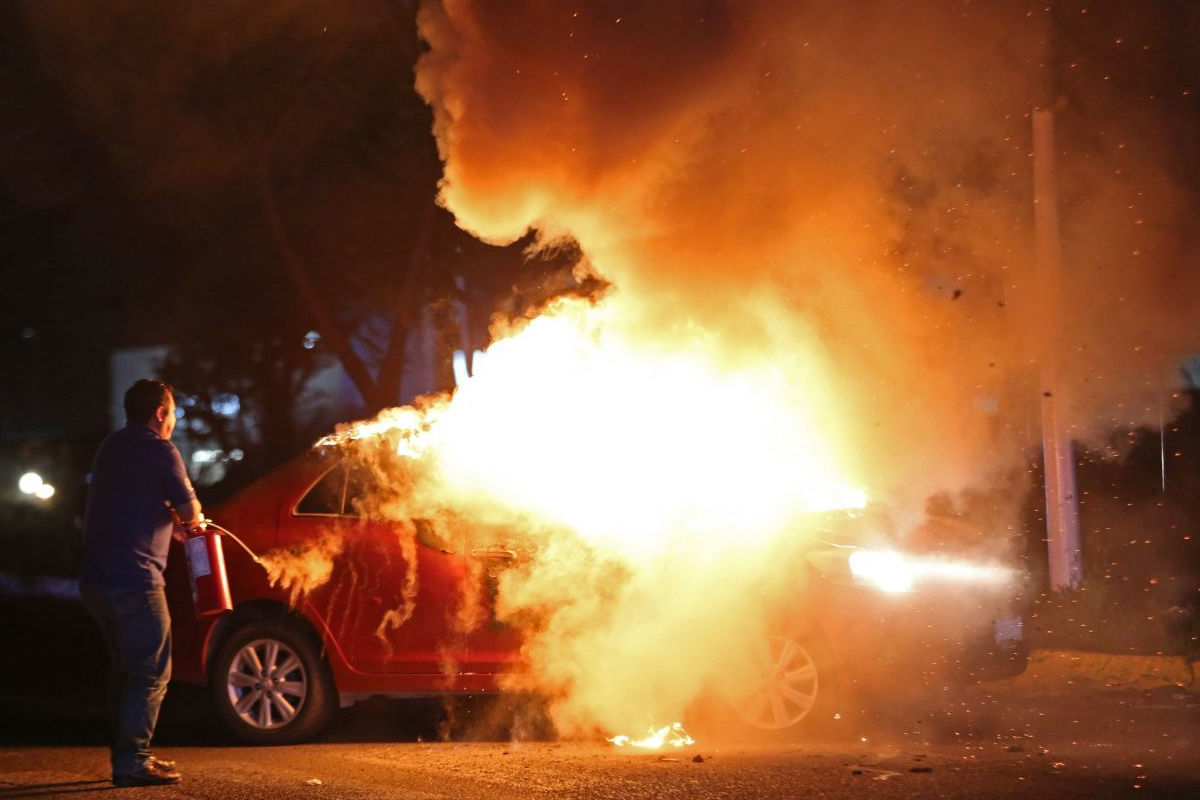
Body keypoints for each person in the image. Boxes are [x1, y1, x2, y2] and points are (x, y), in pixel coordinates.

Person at [79, 379, 202, 787]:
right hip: (136, 577)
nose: (174, 421)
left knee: (125, 670)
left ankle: (129, 755)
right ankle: (132, 763)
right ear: (161, 413)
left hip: (95, 578)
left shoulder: (111, 446)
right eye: (173, 412)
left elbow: (129, 501)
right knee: (151, 670)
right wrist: (189, 518)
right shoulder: (160, 449)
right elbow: (192, 513)